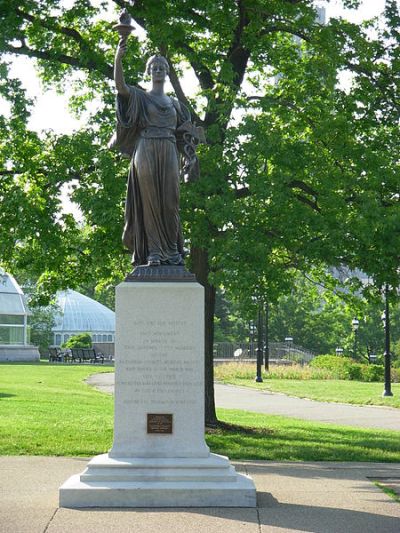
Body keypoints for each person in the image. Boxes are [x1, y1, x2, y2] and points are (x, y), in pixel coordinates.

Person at [109, 39, 201, 267]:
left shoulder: (176, 105)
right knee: (149, 202)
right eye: (154, 67)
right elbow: (120, 87)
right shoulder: (141, 97)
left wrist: (190, 158)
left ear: (167, 73)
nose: (158, 70)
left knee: (170, 202)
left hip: (168, 149)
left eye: (162, 68)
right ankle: (154, 253)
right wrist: (118, 58)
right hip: (146, 148)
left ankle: (172, 251)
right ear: (148, 71)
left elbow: (186, 137)